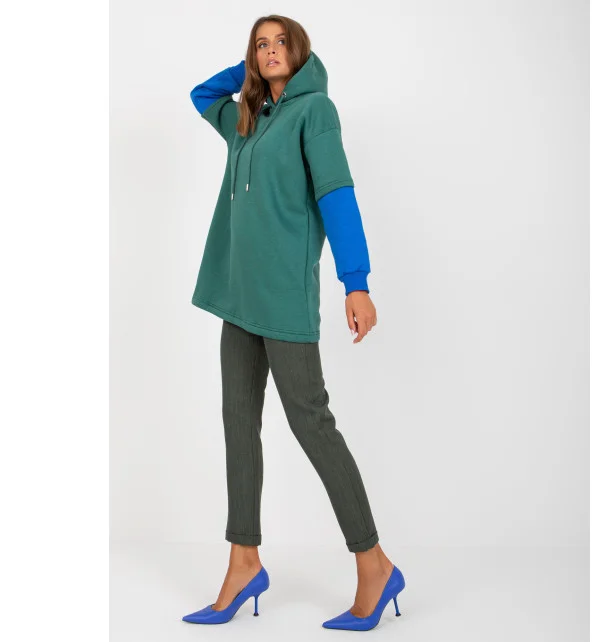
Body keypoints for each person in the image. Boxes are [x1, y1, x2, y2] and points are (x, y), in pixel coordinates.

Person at [181, 14, 405, 632]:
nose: (271, 50)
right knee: (238, 425)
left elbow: (337, 194)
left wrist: (355, 282)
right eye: (262, 44)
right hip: (237, 296)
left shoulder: (315, 112)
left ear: (301, 52)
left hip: (283, 298)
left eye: (282, 42)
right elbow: (201, 95)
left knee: (312, 425)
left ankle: (375, 564)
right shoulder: (247, 118)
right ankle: (243, 561)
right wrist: (250, 72)